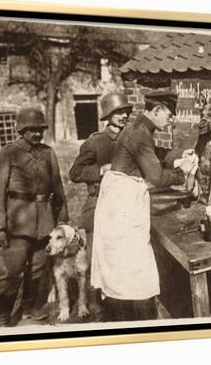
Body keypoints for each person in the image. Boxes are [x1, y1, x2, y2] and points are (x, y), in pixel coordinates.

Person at [91, 90, 196, 321]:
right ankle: (141, 321)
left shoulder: (138, 128)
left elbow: (152, 154)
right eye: (169, 114)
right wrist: (183, 172)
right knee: (136, 266)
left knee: (123, 266)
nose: (172, 119)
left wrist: (177, 158)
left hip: (119, 202)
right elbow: (157, 177)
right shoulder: (139, 133)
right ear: (156, 110)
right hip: (122, 206)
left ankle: (127, 316)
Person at [0, 107, 69, 327]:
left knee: (37, 269)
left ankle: (30, 308)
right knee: (13, 271)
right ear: (21, 129)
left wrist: (62, 218)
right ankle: (3, 314)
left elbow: (58, 186)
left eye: (40, 129)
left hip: (44, 221)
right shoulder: (8, 153)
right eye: (32, 129)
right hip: (17, 221)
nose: (37, 134)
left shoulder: (48, 153)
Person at [69, 91, 132, 313]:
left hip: (124, 207)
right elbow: (75, 173)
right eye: (118, 112)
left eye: (125, 111)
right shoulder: (95, 142)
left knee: (122, 256)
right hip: (98, 204)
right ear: (108, 115)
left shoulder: (131, 138)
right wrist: (100, 170)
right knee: (96, 256)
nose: (123, 115)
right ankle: (95, 306)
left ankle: (120, 301)